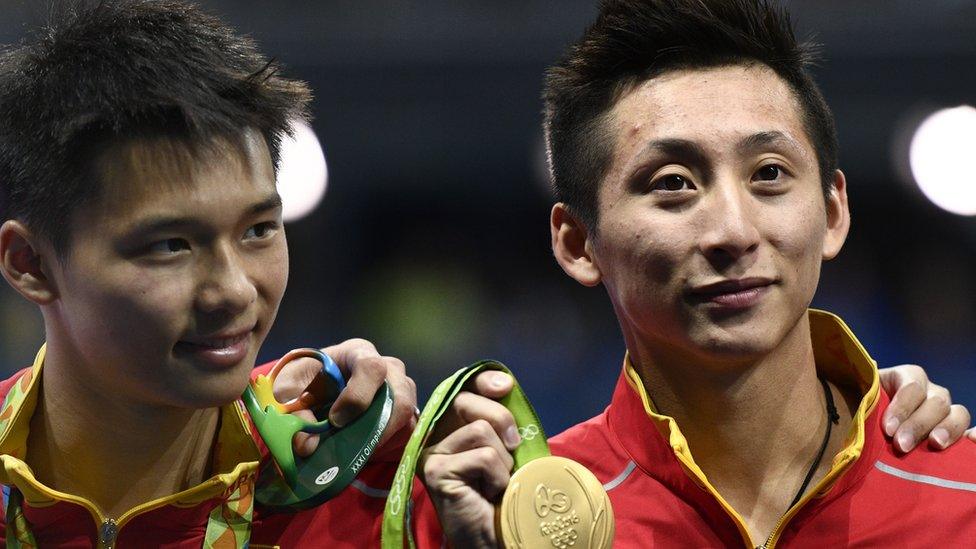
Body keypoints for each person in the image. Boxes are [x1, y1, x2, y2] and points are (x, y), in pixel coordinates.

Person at [416, 0, 976, 547]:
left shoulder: (962, 491)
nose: (734, 232)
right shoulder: (516, 526)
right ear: (578, 243)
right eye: (673, 183)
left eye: (770, 173)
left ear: (832, 213)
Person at [0, 1, 425, 546]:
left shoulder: (371, 497)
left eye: (258, 230)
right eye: (171, 245)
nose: (234, 290)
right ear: (29, 263)